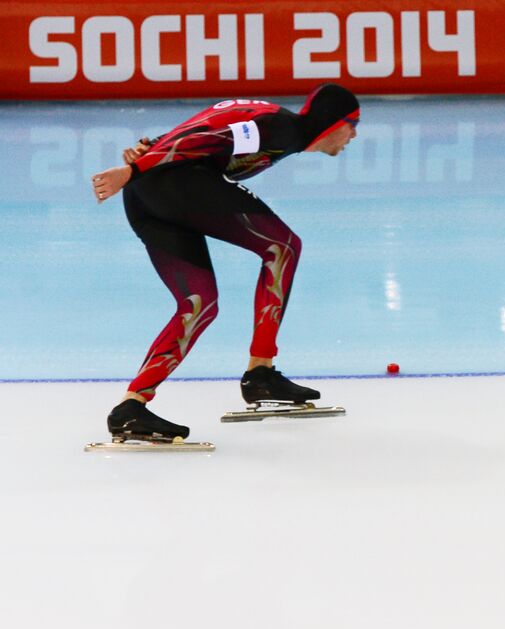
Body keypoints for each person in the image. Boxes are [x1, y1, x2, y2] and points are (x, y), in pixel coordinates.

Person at [90, 84, 360, 441]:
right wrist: (137, 168)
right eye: (352, 123)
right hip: (166, 184)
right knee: (283, 247)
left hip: (148, 195)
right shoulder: (280, 129)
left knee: (198, 303)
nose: (354, 134)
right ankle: (260, 374)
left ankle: (131, 407)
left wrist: (153, 146)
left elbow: (206, 130)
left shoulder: (280, 128)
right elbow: (208, 136)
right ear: (331, 122)